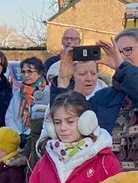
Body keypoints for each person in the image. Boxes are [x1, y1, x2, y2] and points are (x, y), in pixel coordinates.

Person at [53, 28, 138, 170]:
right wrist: (63, 79)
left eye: (128, 50)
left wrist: (122, 67)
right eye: (117, 51)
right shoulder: (102, 97)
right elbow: (66, 122)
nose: (121, 56)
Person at [5, 57, 48, 150]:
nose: (26, 75)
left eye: (30, 71)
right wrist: (18, 134)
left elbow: (46, 119)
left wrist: (28, 134)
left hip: (37, 140)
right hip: (17, 139)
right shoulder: (18, 93)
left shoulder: (47, 92)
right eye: (23, 72)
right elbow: (10, 116)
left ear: (39, 72)